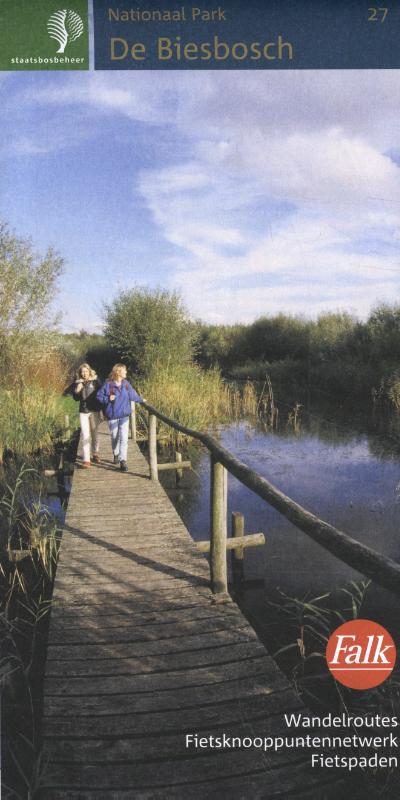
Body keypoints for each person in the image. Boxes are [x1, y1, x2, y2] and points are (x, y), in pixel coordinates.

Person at [96, 364, 144, 472]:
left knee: (124, 438)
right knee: (114, 436)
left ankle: (123, 461)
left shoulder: (126, 384)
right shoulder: (108, 384)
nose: (126, 372)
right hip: (113, 415)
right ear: (118, 372)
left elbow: (133, 395)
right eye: (124, 371)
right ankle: (116, 453)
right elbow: (99, 396)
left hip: (124, 415)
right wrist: (108, 398)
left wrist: (141, 400)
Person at [73, 363, 102, 468]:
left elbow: (102, 390)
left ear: (89, 371)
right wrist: (77, 390)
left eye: (86, 371)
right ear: (80, 373)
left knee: (95, 433)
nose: (84, 374)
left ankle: (95, 453)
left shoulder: (95, 381)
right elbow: (75, 398)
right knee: (85, 435)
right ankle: (86, 460)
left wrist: (96, 380)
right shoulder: (78, 382)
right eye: (82, 372)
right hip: (83, 411)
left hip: (94, 410)